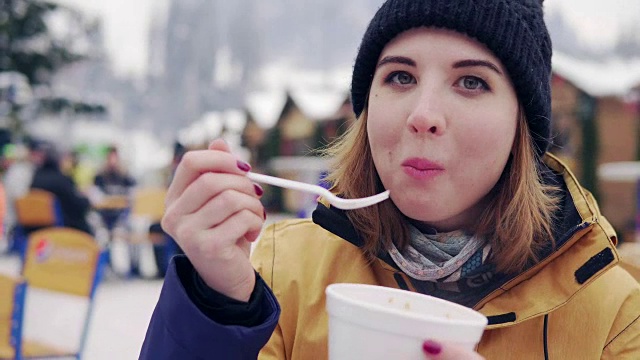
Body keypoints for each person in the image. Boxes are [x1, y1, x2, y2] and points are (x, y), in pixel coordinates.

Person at [140, 1, 640, 359]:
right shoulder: (279, 274)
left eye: (472, 81)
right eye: (400, 76)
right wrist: (217, 307)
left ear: (521, 126)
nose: (423, 116)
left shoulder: (613, 314)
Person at [29, 140, 93, 235]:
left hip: (36, 231)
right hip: (64, 231)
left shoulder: (35, 180)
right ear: (58, 159)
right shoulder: (62, 180)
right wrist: (87, 200)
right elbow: (79, 206)